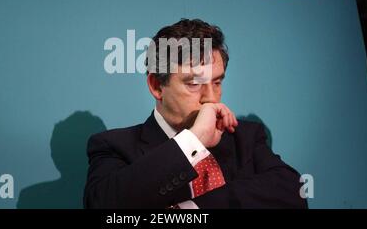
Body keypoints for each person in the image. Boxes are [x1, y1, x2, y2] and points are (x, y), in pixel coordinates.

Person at [84, 18, 307, 209]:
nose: (210, 98)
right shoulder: (114, 146)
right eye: (193, 83)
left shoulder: (244, 137)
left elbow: (296, 191)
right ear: (156, 86)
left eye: (217, 82)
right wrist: (194, 140)